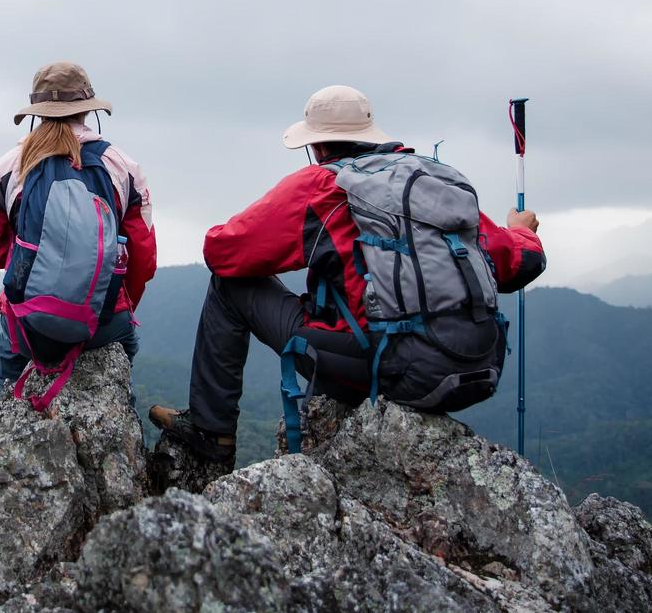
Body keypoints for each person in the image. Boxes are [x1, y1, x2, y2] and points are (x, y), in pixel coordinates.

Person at [148, 84, 545, 465]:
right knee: (347, 318)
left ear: (317, 145)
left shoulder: (324, 185)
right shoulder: (435, 181)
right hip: (478, 364)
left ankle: (211, 432)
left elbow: (222, 251)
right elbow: (521, 264)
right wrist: (521, 230)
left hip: (388, 367)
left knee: (229, 286)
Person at [0, 61, 158, 388]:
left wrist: (42, 256)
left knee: (16, 405)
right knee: (119, 403)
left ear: (37, 113)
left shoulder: (9, 167)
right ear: (88, 110)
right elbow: (144, 258)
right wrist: (99, 295)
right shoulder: (123, 166)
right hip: (105, 323)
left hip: (29, 325)